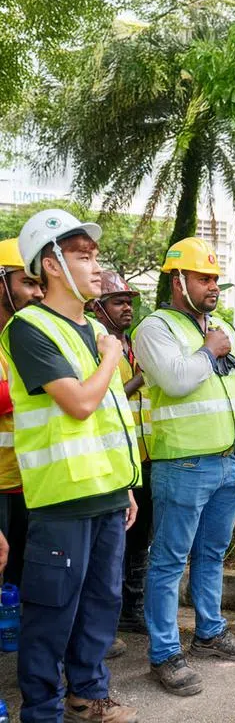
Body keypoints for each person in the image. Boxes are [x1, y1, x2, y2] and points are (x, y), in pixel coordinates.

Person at [2, 208, 142, 722]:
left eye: (95, 256)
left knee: (100, 605)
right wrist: (110, 355)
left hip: (106, 493)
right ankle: (41, 710)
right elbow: (80, 403)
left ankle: (88, 692)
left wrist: (125, 485)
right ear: (54, 264)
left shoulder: (89, 329)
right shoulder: (29, 327)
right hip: (61, 499)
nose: (96, 267)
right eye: (84, 257)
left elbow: (108, 419)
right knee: (52, 611)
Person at [133, 237, 235, 697]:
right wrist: (209, 350)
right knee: (168, 561)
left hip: (227, 464)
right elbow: (175, 379)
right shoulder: (154, 328)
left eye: (215, 280)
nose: (213, 288)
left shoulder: (219, 326)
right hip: (183, 465)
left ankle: (209, 632)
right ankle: (165, 653)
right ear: (177, 280)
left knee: (211, 555)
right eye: (204, 279)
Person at [87, 271, 151, 641]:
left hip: (142, 458)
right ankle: (104, 626)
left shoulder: (132, 345)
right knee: (111, 548)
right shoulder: (98, 343)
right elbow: (101, 396)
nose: (127, 308)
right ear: (98, 307)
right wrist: (141, 377)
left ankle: (132, 611)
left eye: (129, 301)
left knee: (140, 542)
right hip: (110, 462)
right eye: (118, 301)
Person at [0, 237, 43, 591]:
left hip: (28, 483)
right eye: (28, 282)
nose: (39, 293)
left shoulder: (25, 340)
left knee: (19, 582)